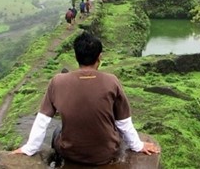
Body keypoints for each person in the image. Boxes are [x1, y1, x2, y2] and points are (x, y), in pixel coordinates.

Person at [13, 31, 160, 165]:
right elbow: (123, 122)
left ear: (76, 56)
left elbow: (42, 120)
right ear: (99, 57)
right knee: (115, 129)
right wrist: (138, 146)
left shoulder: (57, 81)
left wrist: (29, 149)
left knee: (58, 130)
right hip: (106, 154)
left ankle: (60, 163)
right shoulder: (112, 81)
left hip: (71, 154)